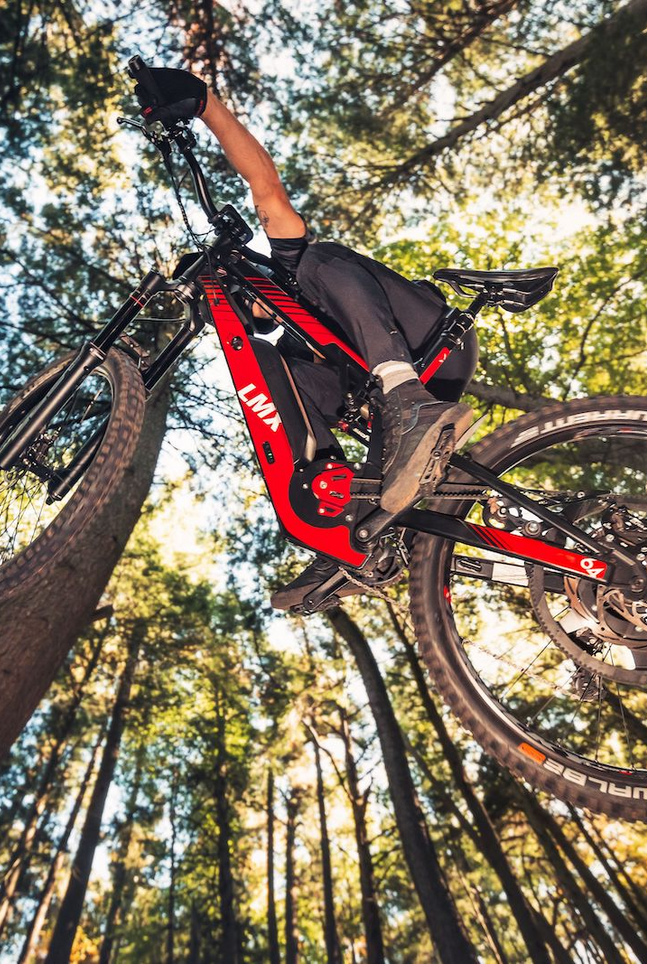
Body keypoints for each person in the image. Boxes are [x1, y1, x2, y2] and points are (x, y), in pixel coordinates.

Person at [135, 66, 477, 611]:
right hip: (371, 391)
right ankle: (343, 525)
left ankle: (405, 395)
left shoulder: (290, 266)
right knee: (270, 373)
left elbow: (262, 182)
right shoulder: (295, 351)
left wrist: (207, 107)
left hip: (430, 343)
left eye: (238, 295)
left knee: (320, 260)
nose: (244, 310)